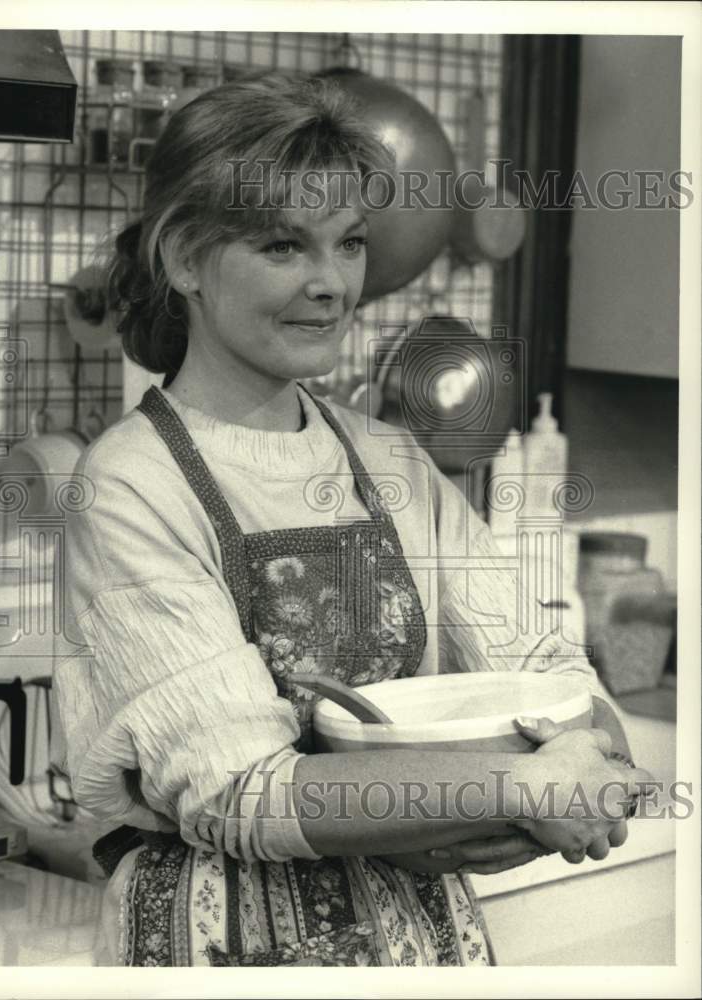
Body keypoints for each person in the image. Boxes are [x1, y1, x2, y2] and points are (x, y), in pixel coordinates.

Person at [51, 73, 648, 967]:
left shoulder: (393, 461)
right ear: (182, 258)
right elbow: (242, 793)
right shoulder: (133, 485)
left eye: (350, 243)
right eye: (284, 247)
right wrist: (514, 782)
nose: (332, 284)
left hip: (421, 937)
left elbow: (553, 674)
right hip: (222, 943)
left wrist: (586, 759)